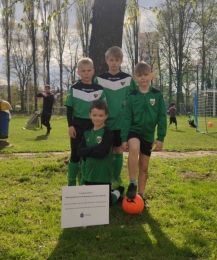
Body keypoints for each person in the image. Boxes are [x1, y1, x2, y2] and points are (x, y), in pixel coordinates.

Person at [121, 61, 167, 208]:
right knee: (134, 148)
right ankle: (132, 184)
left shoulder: (157, 95)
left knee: (144, 166)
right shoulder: (132, 96)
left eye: (146, 75)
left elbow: (161, 117)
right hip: (134, 131)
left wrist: (160, 138)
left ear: (151, 76)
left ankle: (140, 196)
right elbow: (126, 118)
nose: (143, 78)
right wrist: (124, 139)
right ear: (135, 78)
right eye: (140, 75)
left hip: (149, 134)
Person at [94, 46, 137, 189]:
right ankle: (105, 176)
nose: (114, 63)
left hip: (120, 122)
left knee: (118, 150)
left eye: (117, 60)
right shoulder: (99, 79)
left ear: (121, 61)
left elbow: (134, 99)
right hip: (103, 123)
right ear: (106, 60)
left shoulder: (128, 79)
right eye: (111, 60)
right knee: (104, 151)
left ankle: (116, 177)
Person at [65, 58, 106, 186]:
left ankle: (84, 184)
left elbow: (103, 108)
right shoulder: (74, 88)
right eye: (83, 71)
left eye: (89, 70)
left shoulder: (99, 89)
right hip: (77, 125)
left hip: (94, 125)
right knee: (75, 154)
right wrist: (70, 126)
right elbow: (69, 109)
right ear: (78, 73)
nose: (86, 73)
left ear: (93, 71)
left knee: (88, 156)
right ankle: (71, 184)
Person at [77, 100, 125, 206]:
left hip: (103, 175)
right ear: (90, 115)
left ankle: (119, 190)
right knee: (89, 202)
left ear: (106, 116)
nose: (97, 118)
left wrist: (88, 151)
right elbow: (79, 152)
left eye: (100, 115)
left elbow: (102, 154)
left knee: (106, 203)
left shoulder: (108, 132)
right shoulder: (87, 133)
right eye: (94, 115)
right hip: (89, 175)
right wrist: (97, 147)